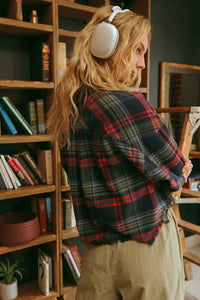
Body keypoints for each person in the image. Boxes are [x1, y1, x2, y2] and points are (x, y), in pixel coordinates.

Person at [47, 5, 193, 300]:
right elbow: (176, 169)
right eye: (137, 51)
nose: (142, 63)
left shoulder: (70, 107)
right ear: (109, 46)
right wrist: (179, 169)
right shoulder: (128, 104)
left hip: (96, 253)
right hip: (146, 246)